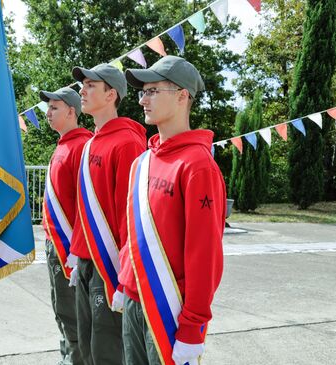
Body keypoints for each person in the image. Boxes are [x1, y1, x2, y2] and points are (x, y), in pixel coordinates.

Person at [118, 56, 226, 365]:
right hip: (134, 298)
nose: (142, 100)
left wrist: (193, 327)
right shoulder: (141, 162)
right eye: (143, 92)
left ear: (182, 96)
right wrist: (123, 282)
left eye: (153, 91)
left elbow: (204, 256)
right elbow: (131, 234)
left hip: (169, 308)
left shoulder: (198, 166)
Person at [69, 63, 148, 365]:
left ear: (111, 94)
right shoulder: (91, 142)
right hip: (87, 261)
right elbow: (84, 208)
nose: (82, 91)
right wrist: (77, 255)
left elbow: (129, 217)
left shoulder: (127, 142)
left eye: (91, 85)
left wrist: (124, 278)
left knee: (107, 349)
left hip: (110, 266)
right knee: (87, 345)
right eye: (83, 85)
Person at [40, 87, 92, 365]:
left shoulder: (82, 145)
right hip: (55, 245)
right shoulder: (63, 145)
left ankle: (75, 360)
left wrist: (76, 248)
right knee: (61, 308)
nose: (48, 113)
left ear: (72, 111)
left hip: (70, 248)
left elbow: (88, 206)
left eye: (55, 108)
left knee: (72, 313)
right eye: (48, 108)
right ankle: (68, 357)